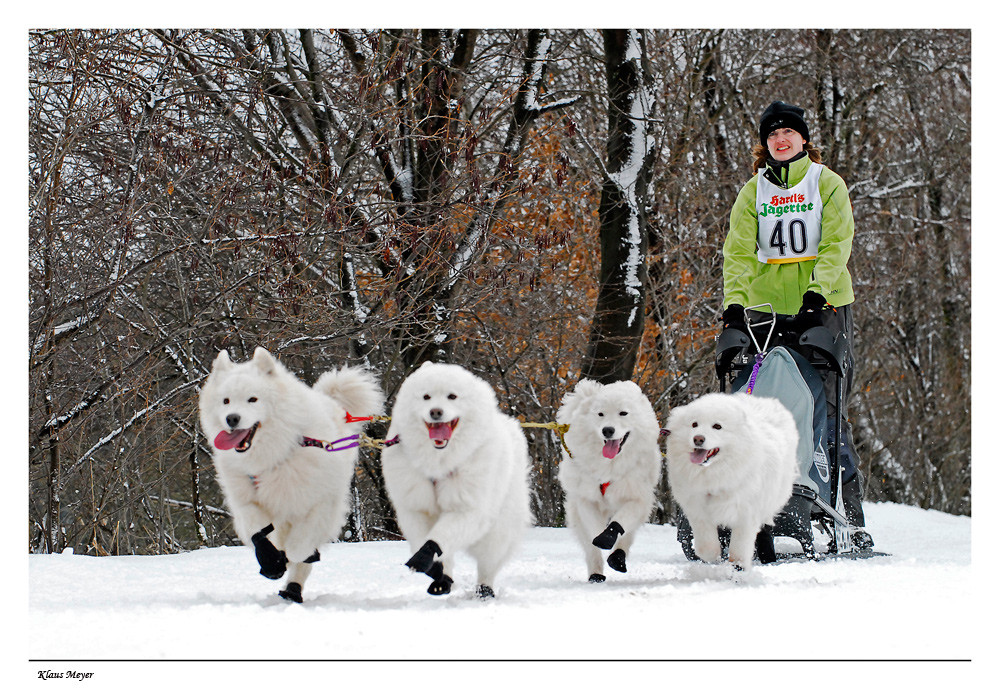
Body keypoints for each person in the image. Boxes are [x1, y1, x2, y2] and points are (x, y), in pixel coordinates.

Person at [720, 100, 873, 549]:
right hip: (766, 309)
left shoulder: (827, 183)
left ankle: (848, 518)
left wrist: (817, 292)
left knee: (826, 406)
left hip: (821, 306)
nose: (780, 139)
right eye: (772, 134)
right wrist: (734, 304)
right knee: (756, 400)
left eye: (788, 132)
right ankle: (751, 503)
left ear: (804, 139)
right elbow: (739, 251)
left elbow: (836, 241)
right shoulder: (752, 193)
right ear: (764, 144)